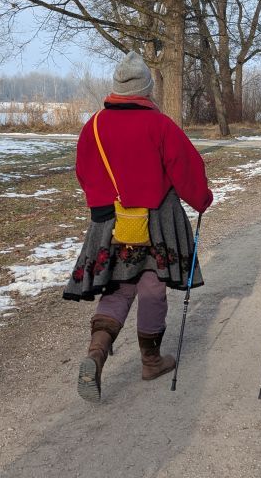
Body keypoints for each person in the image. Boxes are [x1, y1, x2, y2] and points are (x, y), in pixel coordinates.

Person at [64, 51, 213, 402]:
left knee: (116, 288)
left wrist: (101, 204)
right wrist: (201, 200)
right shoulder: (160, 125)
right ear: (147, 90)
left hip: (110, 221)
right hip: (156, 219)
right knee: (151, 286)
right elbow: (186, 169)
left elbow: (84, 171)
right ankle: (151, 360)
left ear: (116, 88)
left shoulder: (94, 125)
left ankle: (96, 353)